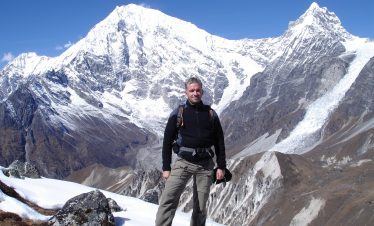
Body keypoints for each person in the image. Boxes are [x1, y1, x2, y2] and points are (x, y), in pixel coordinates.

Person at [155, 77, 226, 226]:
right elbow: (167, 141)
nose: (195, 93)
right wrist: (166, 168)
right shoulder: (179, 113)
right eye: (192, 90)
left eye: (198, 90)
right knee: (168, 200)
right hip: (183, 163)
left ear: (202, 91)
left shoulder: (210, 114)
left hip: (205, 166)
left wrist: (221, 166)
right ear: (186, 92)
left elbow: (219, 141)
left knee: (200, 207)